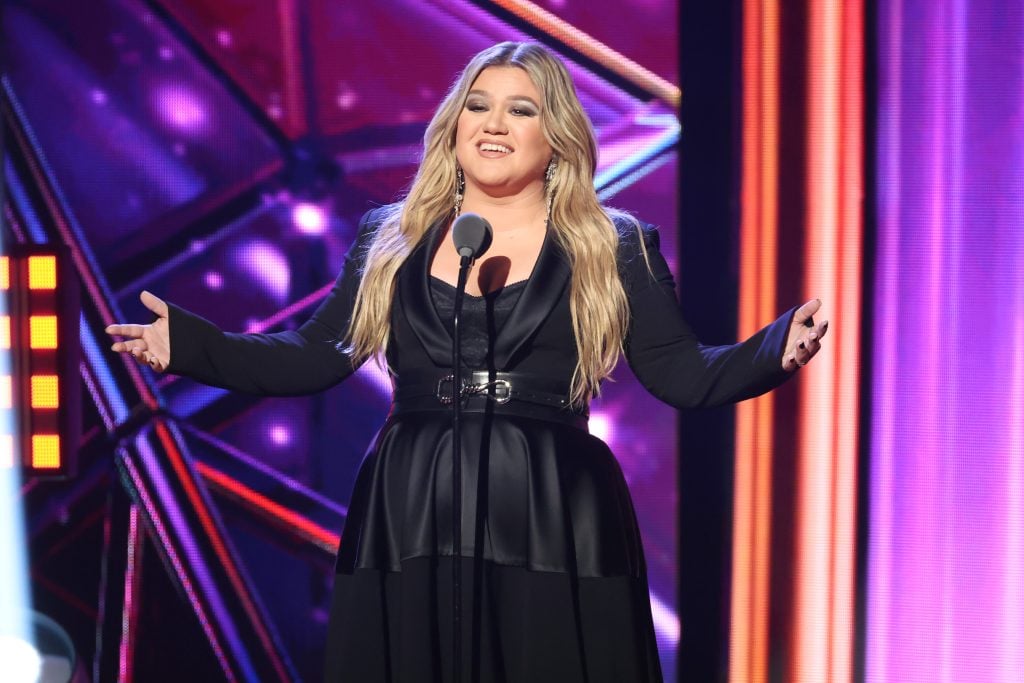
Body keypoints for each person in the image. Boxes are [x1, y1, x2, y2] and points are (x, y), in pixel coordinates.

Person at [107, 41, 827, 682]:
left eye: (521, 110)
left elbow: (681, 371)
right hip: (413, 500)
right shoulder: (391, 236)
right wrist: (193, 345)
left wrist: (773, 350)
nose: (493, 123)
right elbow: (314, 355)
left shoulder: (614, 242)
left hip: (551, 507)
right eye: (478, 104)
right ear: (453, 125)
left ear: (558, 139)